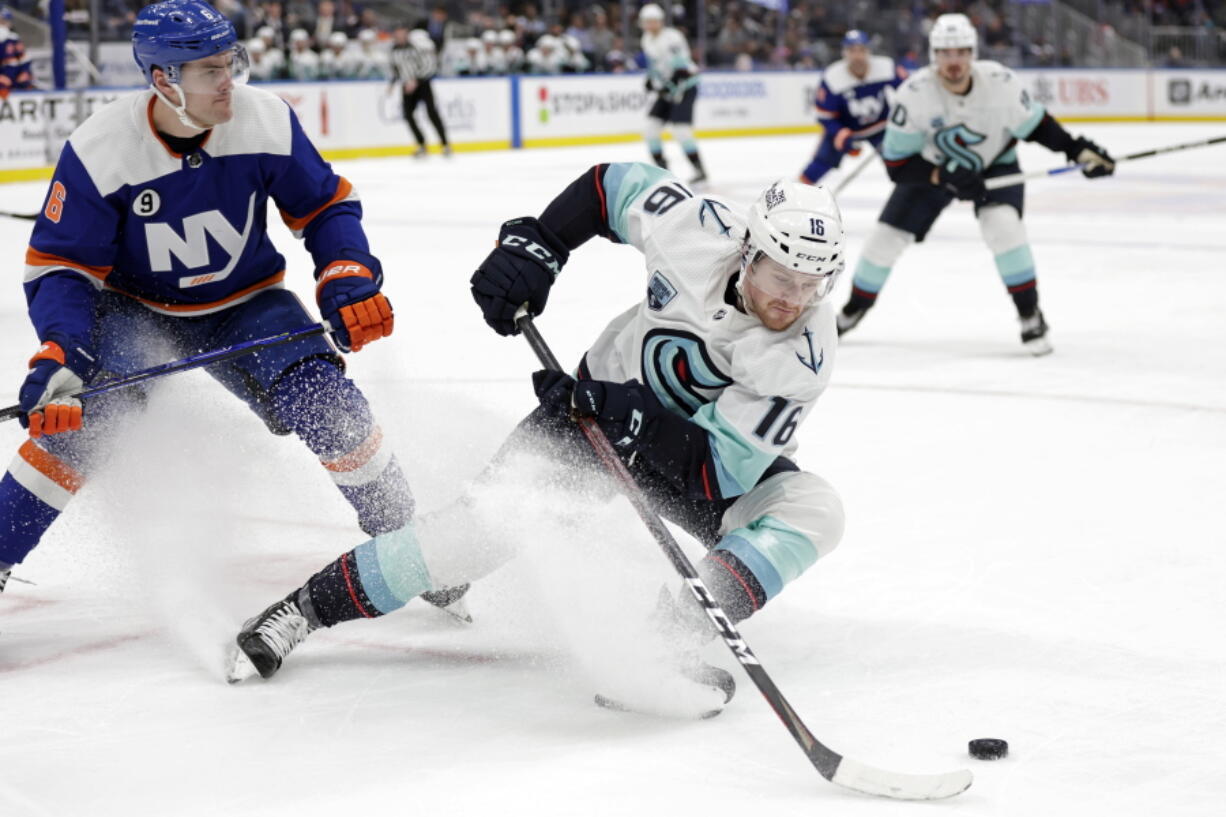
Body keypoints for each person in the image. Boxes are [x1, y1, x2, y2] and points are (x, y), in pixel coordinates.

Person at [227, 163, 848, 718]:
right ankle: (302, 610)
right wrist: (543, 246)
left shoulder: (805, 354)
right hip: (585, 419)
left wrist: (629, 414)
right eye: (780, 276)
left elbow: (720, 475)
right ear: (747, 250)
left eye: (810, 285)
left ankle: (661, 643)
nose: (791, 300)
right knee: (469, 536)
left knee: (811, 512)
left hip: (683, 457)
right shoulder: (699, 229)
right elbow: (610, 186)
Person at [0, 0, 454, 616]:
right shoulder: (101, 147)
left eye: (230, 63)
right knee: (82, 422)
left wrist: (346, 274)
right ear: (163, 79)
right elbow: (62, 267)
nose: (228, 82)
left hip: (248, 304)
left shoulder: (264, 119)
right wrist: (61, 348)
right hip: (139, 311)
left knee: (330, 407)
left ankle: (412, 549)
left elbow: (324, 207)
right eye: (210, 70)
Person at [837, 13, 1115, 354]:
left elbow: (1038, 126)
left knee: (1004, 228)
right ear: (933, 55)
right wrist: (941, 176)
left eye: (961, 52)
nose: (954, 61)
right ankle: (853, 309)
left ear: (973, 52)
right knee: (883, 241)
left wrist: (1077, 150)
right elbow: (897, 165)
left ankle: (1030, 314)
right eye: (945, 53)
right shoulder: (913, 95)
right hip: (931, 169)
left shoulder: (1000, 82)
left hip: (993, 163)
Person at [799, 30, 907, 185]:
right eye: (852, 51)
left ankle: (913, 194)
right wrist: (841, 134)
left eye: (861, 50)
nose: (857, 56)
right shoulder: (832, 77)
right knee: (821, 163)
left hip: (880, 128)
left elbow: (910, 91)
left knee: (902, 163)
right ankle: (796, 196)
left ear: (869, 51)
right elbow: (824, 116)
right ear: (844, 53)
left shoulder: (886, 67)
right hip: (845, 129)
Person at [638, 4, 707, 183]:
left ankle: (700, 171)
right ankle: (663, 173)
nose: (651, 25)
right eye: (647, 22)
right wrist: (651, 80)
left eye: (654, 21)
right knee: (651, 129)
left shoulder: (673, 37)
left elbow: (682, 67)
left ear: (660, 21)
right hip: (668, 87)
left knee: (681, 130)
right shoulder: (646, 39)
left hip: (685, 85)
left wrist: (667, 86)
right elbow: (655, 65)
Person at [389, 25, 451, 158]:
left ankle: (445, 144)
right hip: (406, 85)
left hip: (422, 83)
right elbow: (395, 68)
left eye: (401, 33)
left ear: (406, 34)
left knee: (431, 112)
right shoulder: (394, 50)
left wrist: (416, 80)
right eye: (397, 34)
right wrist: (392, 84)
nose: (399, 36)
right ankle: (421, 144)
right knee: (408, 115)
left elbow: (428, 65)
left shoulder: (417, 47)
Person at [0, 4, 34, 99]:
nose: (4, 24)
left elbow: (24, 58)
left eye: (5, 21)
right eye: (2, 21)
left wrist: (24, 71)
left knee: (25, 83)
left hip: (13, 73)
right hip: (3, 74)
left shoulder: (13, 38)